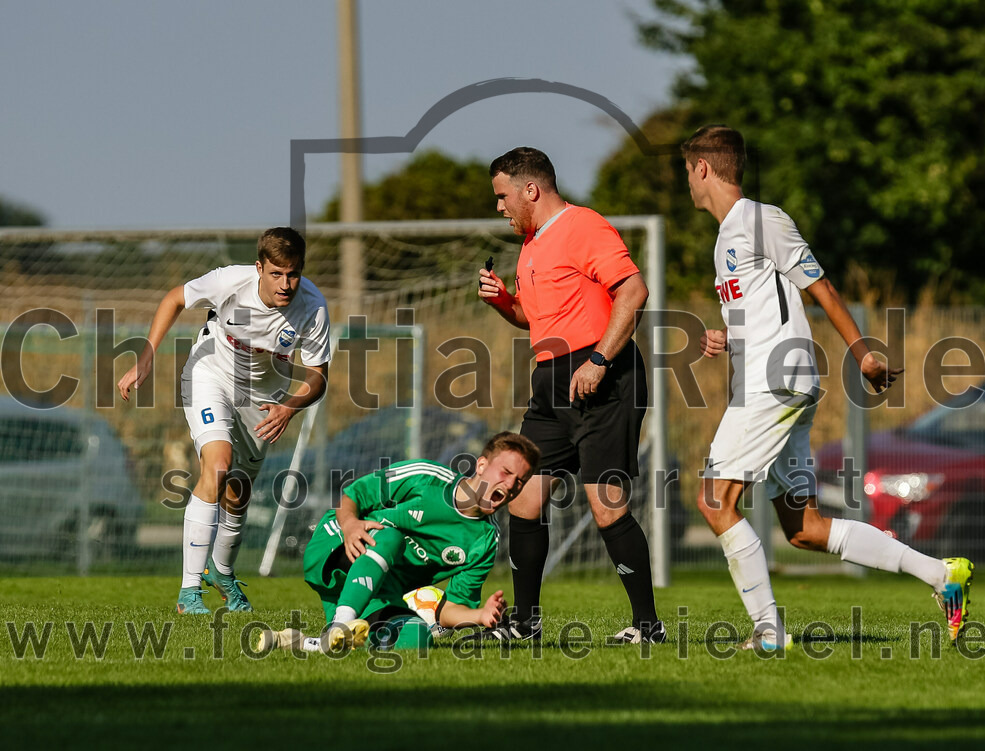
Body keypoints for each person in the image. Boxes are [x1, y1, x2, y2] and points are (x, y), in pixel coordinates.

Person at [683, 125, 973, 649]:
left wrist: (862, 353)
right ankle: (941, 574)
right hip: (772, 378)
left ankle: (768, 633)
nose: (687, 180)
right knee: (804, 528)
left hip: (773, 382)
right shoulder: (727, 235)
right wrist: (730, 337)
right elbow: (770, 308)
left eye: (686, 169)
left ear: (702, 168)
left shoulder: (758, 219)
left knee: (713, 500)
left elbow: (821, 287)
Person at [477, 147, 664, 644]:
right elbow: (533, 321)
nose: (500, 207)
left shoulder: (583, 225)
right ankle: (525, 624)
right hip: (550, 382)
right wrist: (504, 301)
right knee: (523, 499)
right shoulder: (532, 245)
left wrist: (600, 359)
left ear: (530, 190)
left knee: (606, 506)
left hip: (604, 377)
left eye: (502, 196)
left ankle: (648, 626)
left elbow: (634, 291)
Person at [118, 227, 331, 615]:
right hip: (209, 376)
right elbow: (174, 299)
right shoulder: (231, 281)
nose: (286, 284)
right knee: (217, 467)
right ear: (259, 268)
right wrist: (147, 355)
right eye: (276, 273)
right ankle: (188, 592)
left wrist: (290, 407)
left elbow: (318, 375)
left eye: (294, 273)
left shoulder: (313, 307)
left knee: (238, 492)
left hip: (264, 399)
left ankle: (224, 572)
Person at [258, 432, 540, 655]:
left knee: (416, 638)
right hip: (336, 546)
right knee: (391, 537)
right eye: (506, 472)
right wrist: (350, 525)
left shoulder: (485, 541)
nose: (512, 484)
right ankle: (340, 624)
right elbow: (355, 493)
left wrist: (480, 615)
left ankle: (309, 642)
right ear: (481, 465)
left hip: (375, 590)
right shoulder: (427, 477)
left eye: (520, 481)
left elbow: (449, 610)